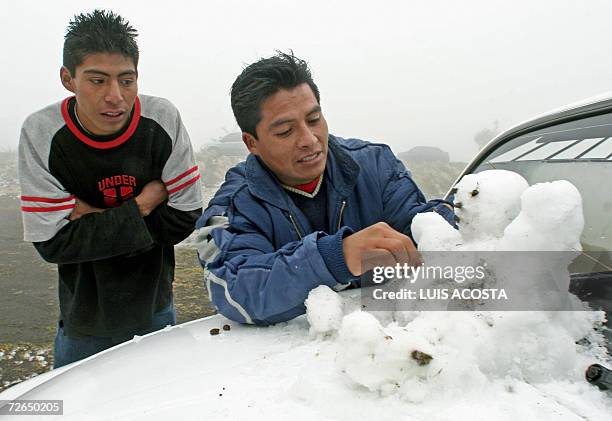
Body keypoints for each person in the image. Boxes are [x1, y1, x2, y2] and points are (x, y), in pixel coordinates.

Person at [195, 52, 455, 325]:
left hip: (388, 341)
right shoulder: (235, 205)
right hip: (284, 361)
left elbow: (422, 230)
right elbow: (236, 291)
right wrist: (335, 257)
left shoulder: (376, 165)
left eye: (314, 119)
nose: (309, 139)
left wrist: (456, 216)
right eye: (285, 131)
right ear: (252, 143)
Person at [18, 10, 203, 367]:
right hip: (82, 321)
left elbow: (184, 218)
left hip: (155, 309)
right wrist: (144, 204)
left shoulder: (160, 121)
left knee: (156, 400)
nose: (115, 96)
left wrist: (91, 216)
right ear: (68, 79)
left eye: (126, 80)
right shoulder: (42, 133)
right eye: (97, 80)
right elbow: (53, 243)